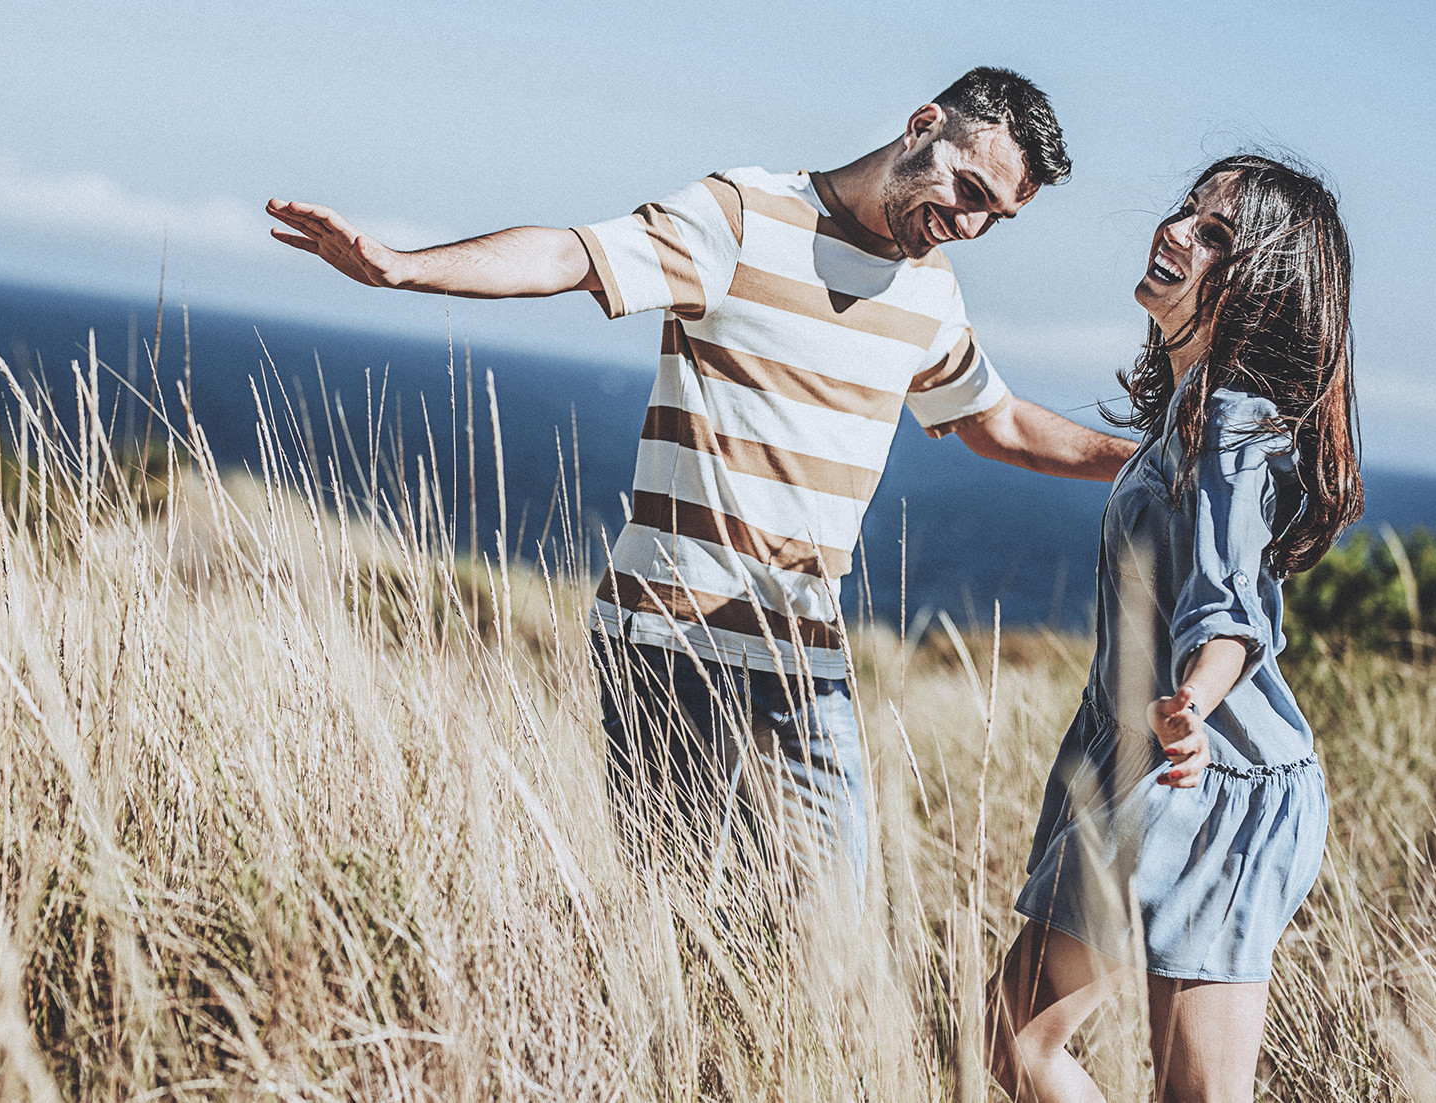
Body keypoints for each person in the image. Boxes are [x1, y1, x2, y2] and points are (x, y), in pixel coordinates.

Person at [267, 66, 1134, 897]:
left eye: (995, 217)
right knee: (680, 920)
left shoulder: (930, 293)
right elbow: (572, 255)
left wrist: (1148, 460)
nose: (970, 225)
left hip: (805, 657)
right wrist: (404, 266)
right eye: (969, 189)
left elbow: (997, 423)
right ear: (922, 127)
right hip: (671, 635)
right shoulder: (745, 216)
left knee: (830, 938)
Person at [988, 154, 1360, 1102]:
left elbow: (1233, 608)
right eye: (1190, 210)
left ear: (1259, 292)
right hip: (1179, 770)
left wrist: (1193, 698)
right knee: (1026, 1040)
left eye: (1215, 235)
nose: (1177, 230)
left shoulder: (1232, 421)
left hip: (1211, 783)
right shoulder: (1191, 415)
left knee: (1023, 1040)